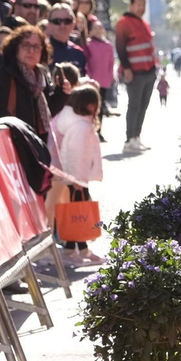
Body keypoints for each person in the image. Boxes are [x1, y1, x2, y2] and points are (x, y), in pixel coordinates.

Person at [50, 83, 104, 266]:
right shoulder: (81, 126)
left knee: (76, 215)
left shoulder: (77, 124)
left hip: (75, 177)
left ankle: (80, 250)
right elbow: (74, 154)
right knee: (76, 215)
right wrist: (77, 180)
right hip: (76, 178)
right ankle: (73, 251)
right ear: (89, 105)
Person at [0, 25, 65, 140]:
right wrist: (17, 132)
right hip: (11, 144)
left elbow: (47, 112)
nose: (31, 51)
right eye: (26, 45)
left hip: (35, 145)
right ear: (16, 48)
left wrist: (62, 93)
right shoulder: (2, 74)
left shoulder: (41, 77)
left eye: (36, 47)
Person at [115, 0, 159, 152]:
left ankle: (137, 137)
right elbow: (120, 47)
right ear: (131, 5)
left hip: (149, 71)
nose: (141, 8)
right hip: (134, 72)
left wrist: (155, 68)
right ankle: (129, 139)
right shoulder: (123, 23)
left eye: (143, 5)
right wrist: (126, 68)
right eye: (138, 5)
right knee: (134, 105)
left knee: (143, 106)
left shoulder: (144, 24)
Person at [83, 18, 116, 118]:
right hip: (92, 79)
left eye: (100, 28)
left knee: (101, 105)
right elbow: (86, 61)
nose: (98, 31)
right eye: (95, 28)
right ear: (91, 31)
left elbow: (111, 62)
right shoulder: (88, 44)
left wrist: (111, 76)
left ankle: (99, 128)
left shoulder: (108, 46)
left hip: (104, 80)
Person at [44, 3, 88, 74]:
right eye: (57, 21)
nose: (62, 25)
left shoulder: (78, 53)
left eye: (67, 21)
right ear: (49, 25)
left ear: (73, 24)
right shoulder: (42, 51)